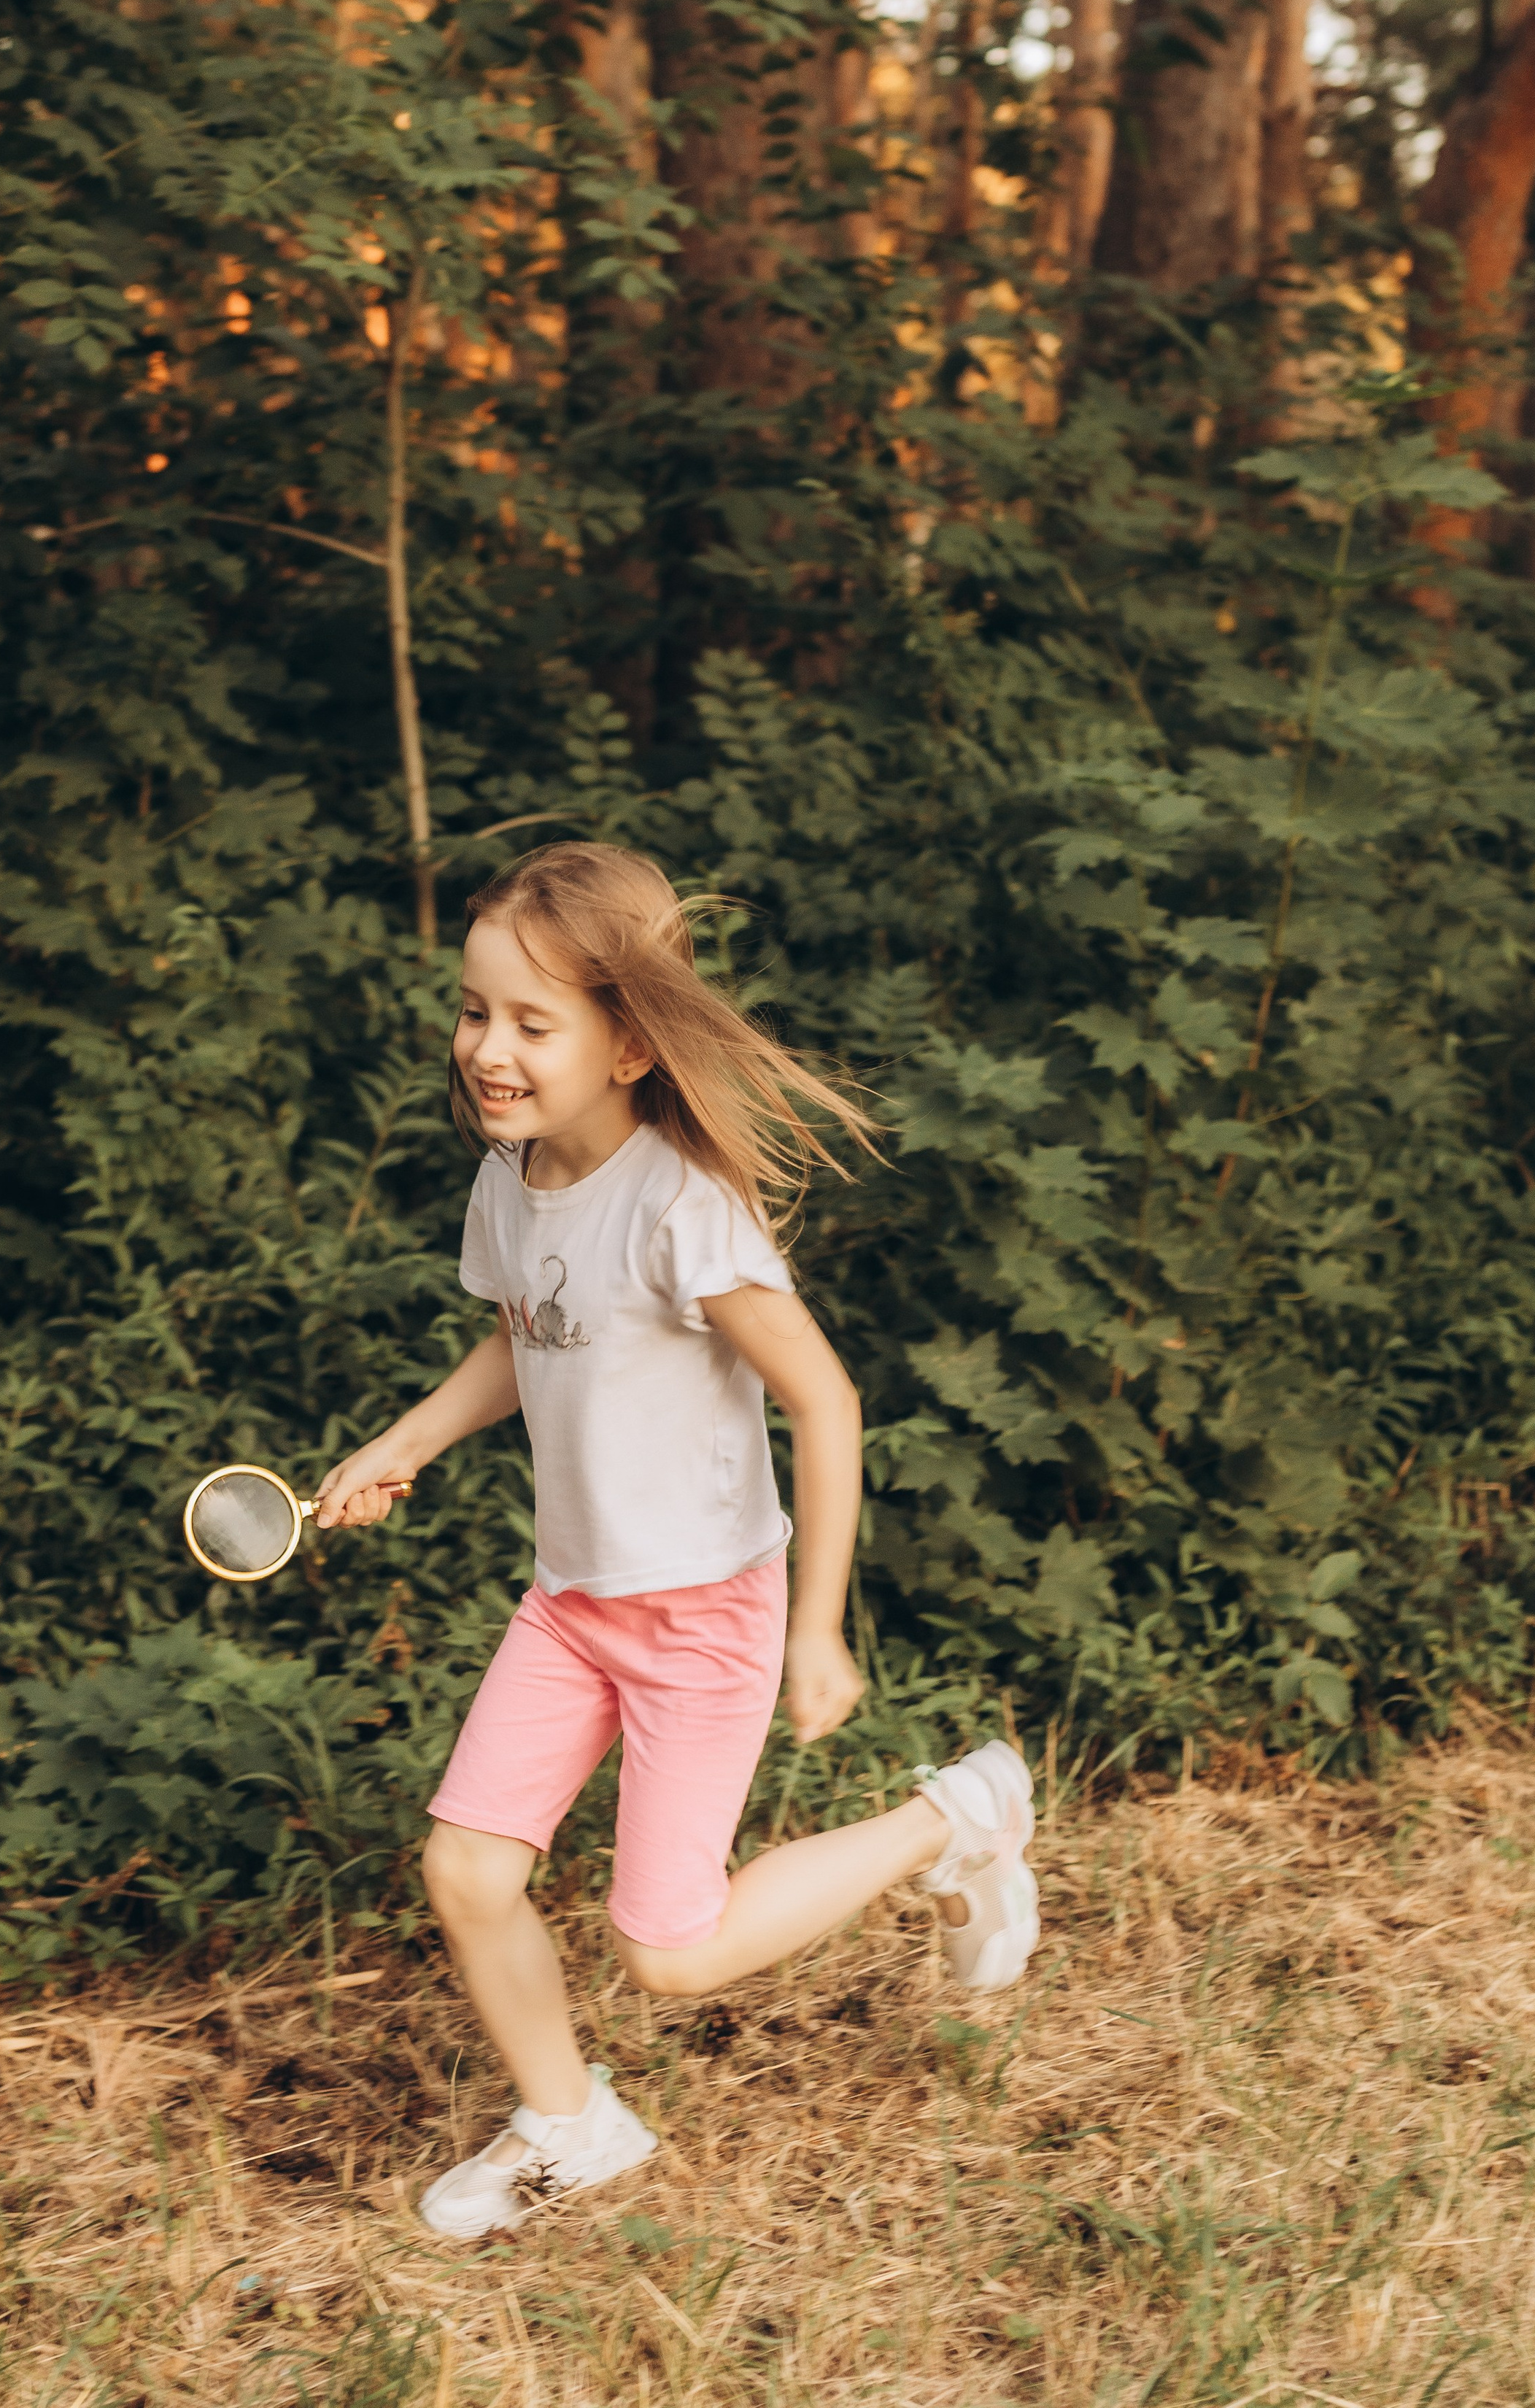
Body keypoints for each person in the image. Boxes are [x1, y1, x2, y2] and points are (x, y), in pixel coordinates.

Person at [313, 842, 1040, 2238]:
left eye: (532, 1022)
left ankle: (955, 1819)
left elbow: (825, 1398)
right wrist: (404, 1441)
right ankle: (569, 2125)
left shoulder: (683, 1206)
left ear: (631, 1040)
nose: (488, 1048)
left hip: (704, 1612)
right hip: (574, 1602)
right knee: (467, 1869)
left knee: (671, 1951)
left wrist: (814, 1626)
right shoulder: (511, 1183)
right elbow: (523, 1341)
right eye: (474, 1012)